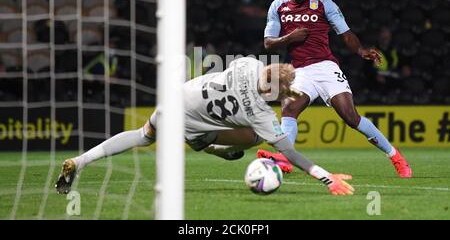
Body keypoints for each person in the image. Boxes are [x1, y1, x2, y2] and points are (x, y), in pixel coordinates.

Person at [55, 57, 355, 196]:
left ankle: (80, 161)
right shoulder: (263, 116)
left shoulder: (247, 63)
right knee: (250, 139)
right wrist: (326, 177)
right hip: (194, 129)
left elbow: (264, 77)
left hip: (177, 100)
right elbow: (289, 152)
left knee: (143, 136)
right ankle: (220, 151)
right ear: (275, 92)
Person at [257, 0, 412, 178]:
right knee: (289, 110)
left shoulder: (324, 3)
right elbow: (268, 43)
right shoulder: (278, 6)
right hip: (301, 71)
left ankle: (395, 156)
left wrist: (361, 50)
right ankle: (285, 158)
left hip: (326, 67)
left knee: (350, 117)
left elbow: (346, 33)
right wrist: (289, 38)